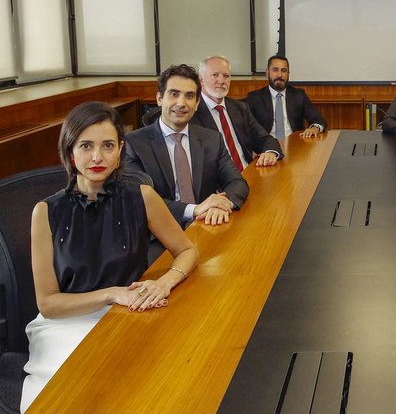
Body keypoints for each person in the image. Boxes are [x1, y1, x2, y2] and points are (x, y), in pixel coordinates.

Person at [21, 102, 198, 412]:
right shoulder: (45, 212)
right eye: (86, 146)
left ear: (120, 150)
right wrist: (111, 294)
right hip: (65, 324)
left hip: (128, 315)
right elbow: (48, 303)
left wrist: (166, 282)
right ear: (70, 152)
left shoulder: (141, 197)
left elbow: (187, 250)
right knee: (73, 398)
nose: (97, 157)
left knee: (149, 392)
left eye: (107, 145)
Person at [125, 64, 249, 227]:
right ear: (160, 99)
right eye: (174, 94)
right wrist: (194, 209)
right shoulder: (133, 143)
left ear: (197, 103)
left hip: (206, 225)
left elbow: (237, 182)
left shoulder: (212, 139)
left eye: (189, 96)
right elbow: (137, 199)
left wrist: (223, 205)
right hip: (158, 231)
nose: (181, 103)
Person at [191, 55, 282, 169]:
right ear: (201, 80)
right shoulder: (192, 113)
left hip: (249, 172)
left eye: (226, 76)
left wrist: (270, 152)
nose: (221, 81)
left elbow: (264, 138)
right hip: (219, 178)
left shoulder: (239, 108)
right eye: (215, 75)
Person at [245, 55, 327, 139]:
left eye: (284, 71)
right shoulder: (255, 98)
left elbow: (318, 120)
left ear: (288, 74)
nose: (279, 75)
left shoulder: (298, 95)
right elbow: (245, 128)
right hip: (266, 145)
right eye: (275, 70)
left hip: (294, 143)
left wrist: (314, 128)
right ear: (267, 73)